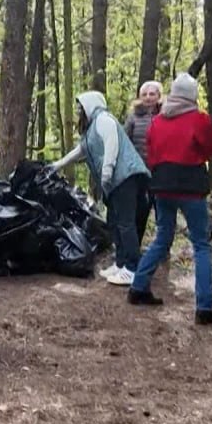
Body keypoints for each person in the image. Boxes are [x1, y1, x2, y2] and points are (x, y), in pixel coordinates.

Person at [127, 72, 212, 325]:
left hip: (161, 187)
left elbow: (151, 151)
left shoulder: (158, 121)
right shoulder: (198, 119)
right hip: (191, 188)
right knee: (201, 245)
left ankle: (138, 287)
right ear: (192, 95)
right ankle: (204, 308)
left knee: (162, 238)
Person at [48, 92, 150, 287]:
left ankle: (132, 268)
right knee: (114, 222)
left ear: (90, 105)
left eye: (80, 106)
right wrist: (57, 165)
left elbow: (112, 143)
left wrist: (107, 172)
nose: (78, 109)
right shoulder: (91, 129)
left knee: (125, 223)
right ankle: (121, 263)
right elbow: (80, 151)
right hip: (114, 182)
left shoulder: (103, 119)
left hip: (125, 177)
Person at [124, 81, 163, 241]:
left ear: (159, 96)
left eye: (152, 94)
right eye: (144, 94)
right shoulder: (133, 117)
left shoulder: (165, 116)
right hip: (139, 173)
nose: (148, 97)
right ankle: (135, 249)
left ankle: (163, 251)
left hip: (161, 173)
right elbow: (125, 142)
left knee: (162, 213)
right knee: (139, 213)